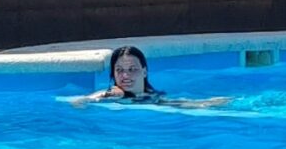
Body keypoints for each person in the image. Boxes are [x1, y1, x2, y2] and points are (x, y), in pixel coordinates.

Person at [72, 45, 230, 107]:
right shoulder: (107, 95)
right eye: (119, 70)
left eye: (132, 69)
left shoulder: (155, 99)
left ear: (144, 72)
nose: (125, 75)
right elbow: (79, 101)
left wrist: (205, 103)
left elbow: (178, 104)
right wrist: (107, 95)